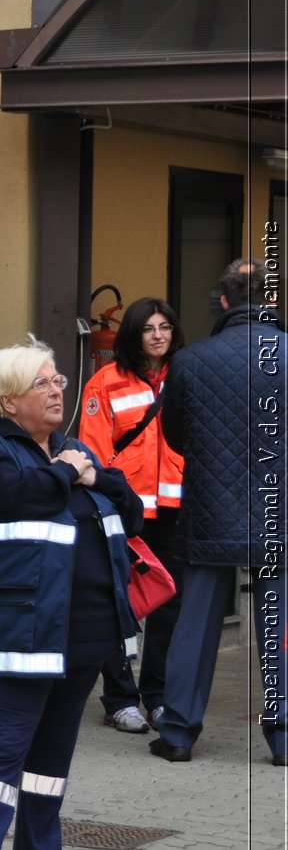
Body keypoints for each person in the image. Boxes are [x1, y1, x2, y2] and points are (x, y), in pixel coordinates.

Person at [0, 340, 143, 850]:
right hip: (17, 636)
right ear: (8, 401)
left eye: (58, 380)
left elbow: (128, 504)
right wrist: (66, 473)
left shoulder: (74, 450)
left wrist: (87, 476)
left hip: (82, 634)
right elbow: (16, 495)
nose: (58, 390)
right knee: (2, 752)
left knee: (51, 758)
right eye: (42, 383)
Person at [151, 260, 286, 766]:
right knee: (281, 625)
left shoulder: (191, 360)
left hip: (211, 504)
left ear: (224, 302)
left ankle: (179, 732)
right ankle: (285, 737)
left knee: (197, 621)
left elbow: (175, 436)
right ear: (271, 301)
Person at [77, 297, 186, 736]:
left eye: (165, 327)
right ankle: (120, 699)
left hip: (175, 511)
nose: (158, 335)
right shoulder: (105, 383)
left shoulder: (186, 378)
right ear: (133, 335)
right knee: (117, 605)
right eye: (148, 328)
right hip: (124, 512)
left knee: (168, 604)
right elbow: (94, 454)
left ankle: (157, 696)